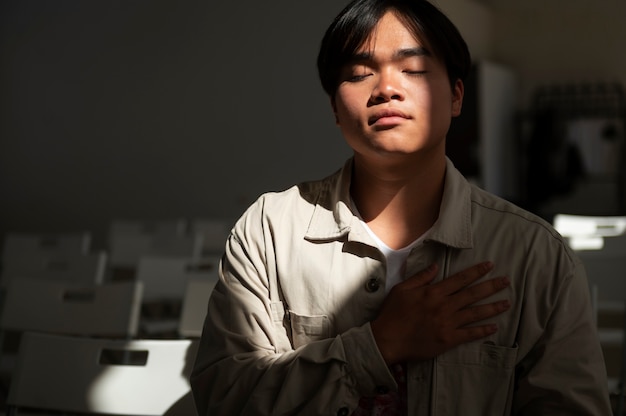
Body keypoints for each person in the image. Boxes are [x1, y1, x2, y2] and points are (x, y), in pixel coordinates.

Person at [191, 0, 612, 414]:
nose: (386, 89)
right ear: (335, 109)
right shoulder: (270, 230)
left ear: (456, 96)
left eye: (413, 70)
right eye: (358, 74)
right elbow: (225, 394)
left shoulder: (534, 255)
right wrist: (378, 345)